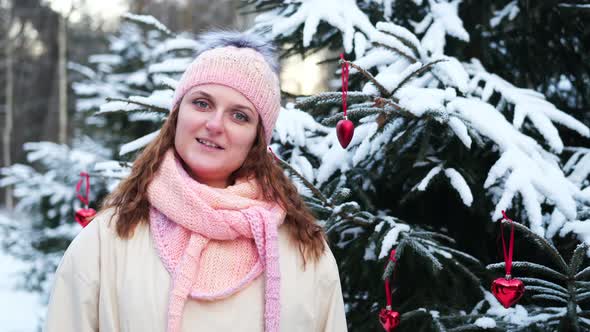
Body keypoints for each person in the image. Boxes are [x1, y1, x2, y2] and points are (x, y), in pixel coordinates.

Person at [44, 30, 347, 332]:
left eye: (239, 116)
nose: (214, 124)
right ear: (177, 115)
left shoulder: (305, 250)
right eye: (202, 103)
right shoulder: (108, 238)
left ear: (258, 139)